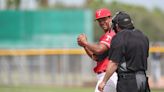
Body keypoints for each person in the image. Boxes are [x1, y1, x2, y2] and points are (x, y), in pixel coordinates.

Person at [98, 11, 150, 92]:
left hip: (128, 82)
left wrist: (104, 81)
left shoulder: (119, 37)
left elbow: (113, 63)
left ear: (117, 26)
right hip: (143, 80)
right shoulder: (143, 36)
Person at [77, 8, 117, 92]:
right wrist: (85, 46)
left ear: (110, 18)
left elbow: (99, 50)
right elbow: (95, 57)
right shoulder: (106, 35)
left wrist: (86, 43)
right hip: (107, 77)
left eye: (104, 19)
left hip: (109, 76)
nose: (102, 22)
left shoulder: (111, 33)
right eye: (99, 20)